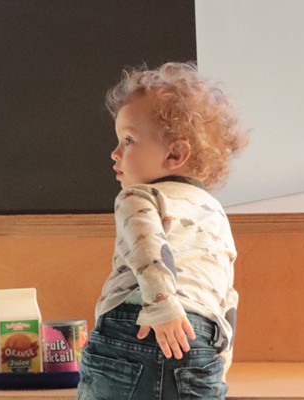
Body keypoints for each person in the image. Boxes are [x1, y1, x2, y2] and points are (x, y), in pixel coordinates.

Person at [77, 62, 248, 400]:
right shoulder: (215, 213)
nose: (115, 153)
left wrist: (162, 304)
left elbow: (147, 244)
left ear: (175, 153)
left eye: (128, 140)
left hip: (134, 326)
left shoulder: (138, 195)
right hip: (197, 340)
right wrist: (218, 361)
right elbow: (226, 297)